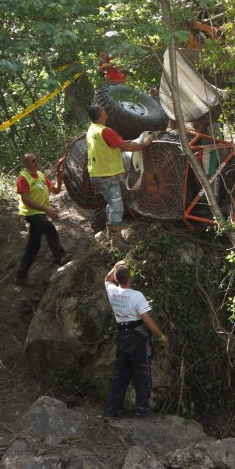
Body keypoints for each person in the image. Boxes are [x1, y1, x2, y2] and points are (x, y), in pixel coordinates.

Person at [103, 260, 168, 419]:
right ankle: (142, 410)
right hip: (138, 338)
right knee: (142, 373)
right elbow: (146, 319)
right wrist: (161, 336)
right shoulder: (137, 296)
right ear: (130, 278)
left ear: (117, 279)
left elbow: (107, 279)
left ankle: (111, 412)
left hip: (122, 337)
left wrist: (115, 266)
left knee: (120, 374)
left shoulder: (112, 291)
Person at [86, 105, 153, 249]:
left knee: (111, 203)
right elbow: (126, 148)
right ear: (101, 114)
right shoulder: (105, 131)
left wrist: (126, 144)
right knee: (117, 207)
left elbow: (110, 146)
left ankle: (109, 236)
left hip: (97, 174)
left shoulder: (92, 130)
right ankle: (116, 242)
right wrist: (145, 143)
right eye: (104, 110)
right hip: (107, 175)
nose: (105, 112)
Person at [15, 153, 69, 285]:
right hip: (31, 213)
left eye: (36, 160)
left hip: (41, 212)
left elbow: (56, 191)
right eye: (32, 161)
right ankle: (60, 256)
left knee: (33, 245)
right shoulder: (22, 178)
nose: (36, 162)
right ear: (26, 164)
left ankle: (21, 275)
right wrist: (46, 210)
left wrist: (59, 180)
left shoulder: (40, 175)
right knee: (48, 227)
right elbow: (25, 199)